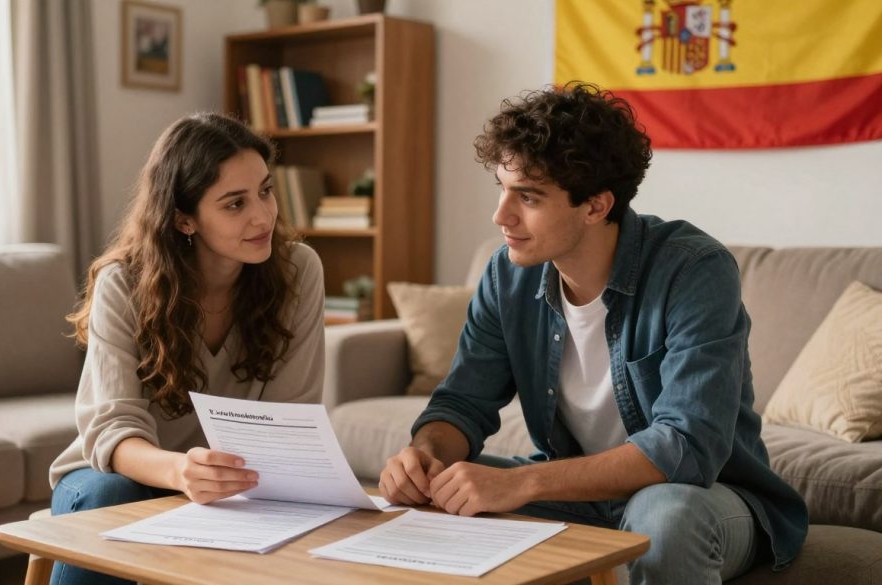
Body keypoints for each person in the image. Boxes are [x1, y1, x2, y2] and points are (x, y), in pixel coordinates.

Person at [378, 83, 808, 584]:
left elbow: (686, 446)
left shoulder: (694, 270)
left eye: (529, 196)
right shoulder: (506, 275)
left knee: (665, 516)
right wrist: (424, 461)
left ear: (596, 206)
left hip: (704, 496)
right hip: (578, 494)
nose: (501, 215)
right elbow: (462, 405)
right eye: (501, 188)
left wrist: (523, 482)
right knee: (442, 493)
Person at [48, 113, 325, 585]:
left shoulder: (299, 271)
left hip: (229, 490)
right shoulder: (124, 282)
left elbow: (290, 422)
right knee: (113, 494)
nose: (263, 215)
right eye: (234, 204)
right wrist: (181, 472)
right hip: (114, 479)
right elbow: (113, 432)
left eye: (265, 190)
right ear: (184, 219)